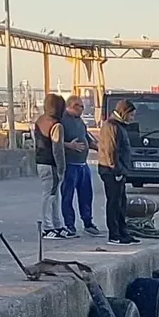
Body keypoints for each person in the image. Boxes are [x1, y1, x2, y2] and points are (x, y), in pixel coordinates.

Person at [99, 98, 139, 245]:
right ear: (124, 113)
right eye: (131, 115)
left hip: (119, 170)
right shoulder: (111, 126)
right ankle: (114, 234)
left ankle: (123, 232)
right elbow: (111, 150)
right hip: (111, 171)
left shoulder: (120, 126)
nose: (132, 119)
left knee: (121, 203)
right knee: (114, 203)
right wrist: (116, 171)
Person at [59, 96, 98, 234]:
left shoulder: (81, 122)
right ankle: (69, 224)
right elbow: (54, 142)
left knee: (86, 195)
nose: (81, 109)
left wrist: (98, 147)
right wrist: (70, 145)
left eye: (82, 106)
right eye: (77, 106)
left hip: (83, 165)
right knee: (67, 196)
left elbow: (87, 137)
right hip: (70, 165)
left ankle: (88, 222)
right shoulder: (62, 121)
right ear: (69, 106)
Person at [35, 93, 70, 238]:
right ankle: (47, 227)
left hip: (41, 161)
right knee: (50, 196)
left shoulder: (40, 121)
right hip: (51, 164)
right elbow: (57, 148)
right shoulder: (57, 125)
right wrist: (61, 168)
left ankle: (57, 224)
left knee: (54, 195)